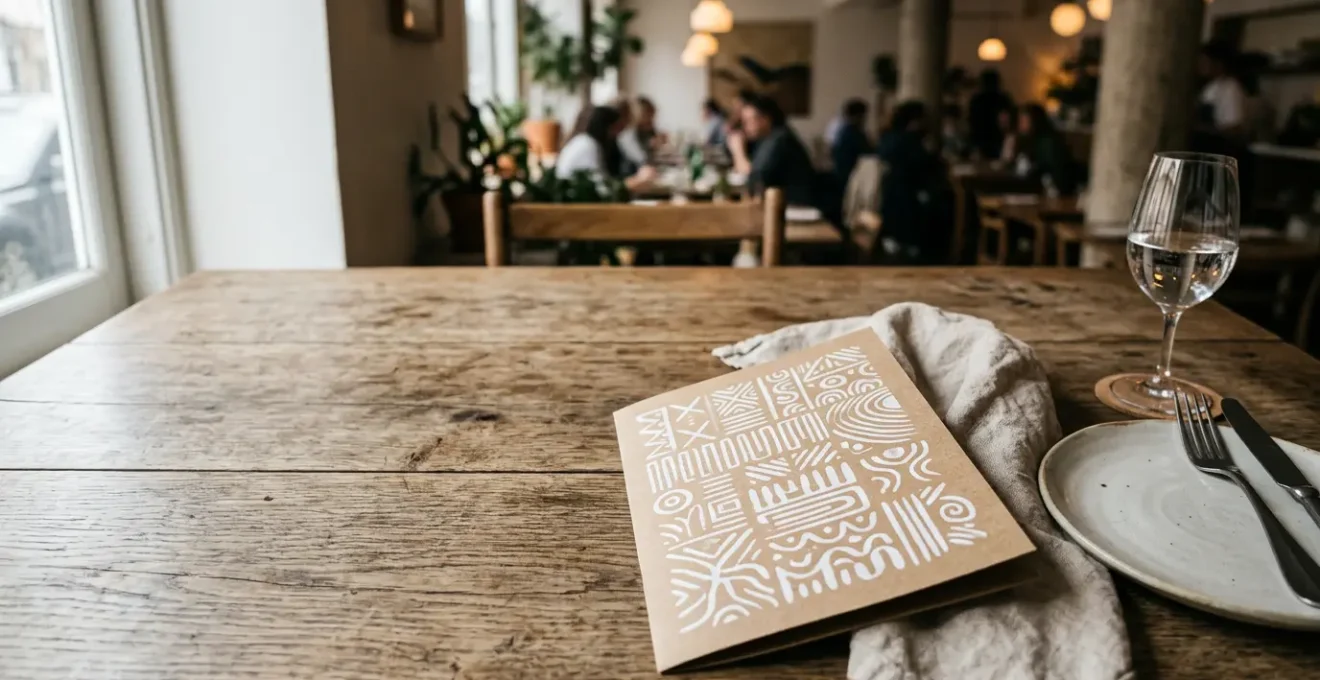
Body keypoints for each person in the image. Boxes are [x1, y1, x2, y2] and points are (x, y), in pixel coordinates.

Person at [877, 100, 945, 261]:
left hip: (892, 191)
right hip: (908, 191)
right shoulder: (911, 140)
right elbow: (924, 164)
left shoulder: (889, 136)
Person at [728, 94, 816, 207]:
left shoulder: (778, 139)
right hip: (783, 205)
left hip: (795, 207)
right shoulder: (767, 138)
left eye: (749, 121)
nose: (745, 127)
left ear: (766, 119)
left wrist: (738, 151)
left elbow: (755, 181)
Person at [556, 105, 656, 190]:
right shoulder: (587, 145)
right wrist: (638, 180)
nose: (617, 134)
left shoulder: (585, 142)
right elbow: (602, 189)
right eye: (615, 128)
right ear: (605, 127)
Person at [1011, 104, 1078, 195]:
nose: (1020, 125)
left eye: (1024, 121)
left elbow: (1057, 175)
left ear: (1035, 121)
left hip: (1055, 193)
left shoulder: (1048, 143)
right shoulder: (1027, 140)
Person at [1198, 41, 1247, 136]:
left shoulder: (1230, 88)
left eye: (1205, 62)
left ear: (1219, 64)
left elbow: (1234, 128)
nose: (1200, 66)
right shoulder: (1210, 86)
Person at [968, 69, 1015, 160]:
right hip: (997, 138)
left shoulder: (977, 100)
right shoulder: (1003, 99)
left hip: (982, 138)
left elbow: (972, 121)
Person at [830, 99, 872, 186]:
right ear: (859, 116)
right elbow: (867, 154)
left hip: (840, 174)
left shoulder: (842, 131)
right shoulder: (855, 133)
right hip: (852, 176)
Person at [618, 96, 664, 170]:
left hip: (649, 171)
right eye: (648, 115)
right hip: (633, 172)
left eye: (652, 115)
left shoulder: (648, 130)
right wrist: (650, 146)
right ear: (638, 115)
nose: (652, 119)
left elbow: (655, 156)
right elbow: (642, 160)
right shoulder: (627, 135)